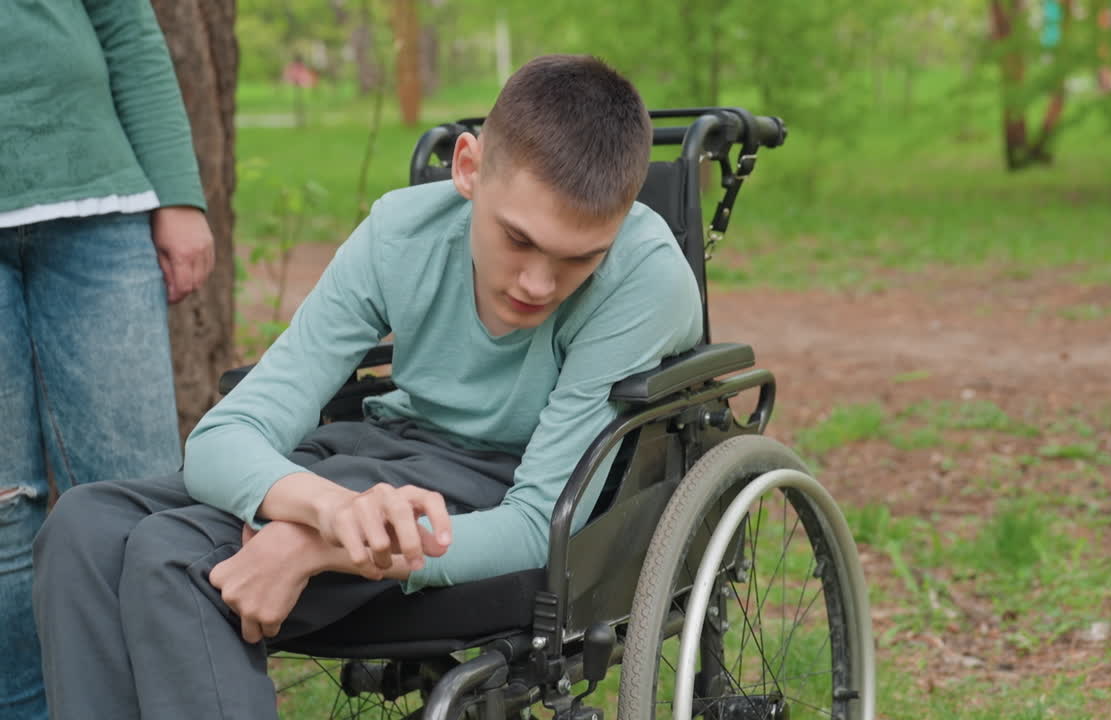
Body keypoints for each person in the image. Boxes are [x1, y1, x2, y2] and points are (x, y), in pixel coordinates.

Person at [33, 54, 701, 719]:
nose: (537, 284)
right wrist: (328, 513)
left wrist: (322, 546)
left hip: (509, 486)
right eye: (517, 239)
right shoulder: (398, 234)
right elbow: (223, 436)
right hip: (378, 456)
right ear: (467, 167)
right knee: (85, 526)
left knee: (172, 558)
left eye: (577, 258)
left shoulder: (644, 279)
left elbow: (536, 524)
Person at [0, 1, 214, 717]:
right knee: (1, 513)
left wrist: (178, 193)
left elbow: (125, 22)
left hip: (98, 201)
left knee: (141, 501)